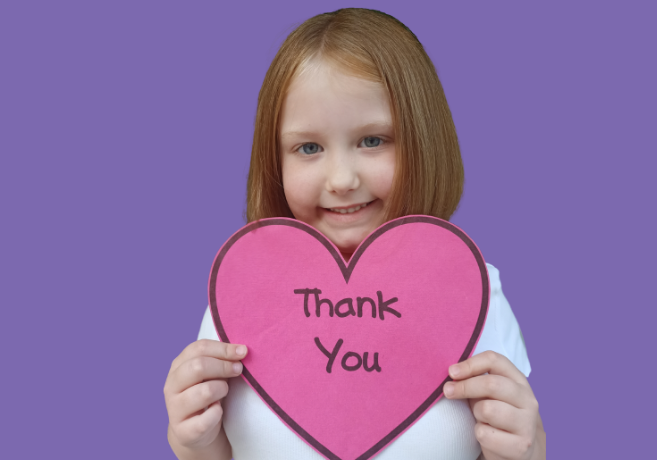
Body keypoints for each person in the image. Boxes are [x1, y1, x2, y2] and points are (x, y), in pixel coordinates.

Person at [164, 8, 545, 460]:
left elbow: (507, 442)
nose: (342, 179)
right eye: (308, 147)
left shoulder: (474, 289)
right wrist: (194, 445)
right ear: (275, 162)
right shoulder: (240, 294)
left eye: (373, 140)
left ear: (424, 141)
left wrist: (528, 449)